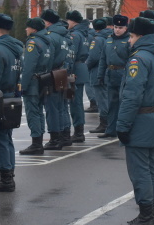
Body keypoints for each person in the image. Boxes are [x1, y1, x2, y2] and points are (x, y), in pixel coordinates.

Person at [117, 17, 154, 225]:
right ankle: (150, 213)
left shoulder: (139, 59)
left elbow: (132, 95)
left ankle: (146, 216)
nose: (129, 41)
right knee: (150, 169)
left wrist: (123, 125)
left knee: (140, 171)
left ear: (141, 37)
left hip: (140, 118)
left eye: (133, 36)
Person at [0, 14, 24, 192]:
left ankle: (6, 178)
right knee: (7, 138)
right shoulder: (16, 48)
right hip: (12, 95)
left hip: (0, 96)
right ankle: (9, 174)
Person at [19, 18, 53, 156]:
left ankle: (36, 143)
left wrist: (23, 85)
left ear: (34, 29)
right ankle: (38, 140)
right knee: (39, 111)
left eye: (28, 27)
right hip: (43, 79)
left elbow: (28, 67)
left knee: (32, 112)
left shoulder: (32, 43)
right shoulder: (47, 42)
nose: (26, 30)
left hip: (33, 82)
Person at [40, 9, 71, 149]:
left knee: (52, 107)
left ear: (47, 22)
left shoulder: (51, 36)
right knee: (61, 106)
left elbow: (49, 58)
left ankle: (55, 138)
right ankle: (65, 135)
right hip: (62, 71)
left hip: (52, 73)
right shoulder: (64, 35)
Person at [98, 15, 130, 138]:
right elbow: (103, 59)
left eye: (120, 27)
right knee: (112, 104)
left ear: (126, 28)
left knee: (124, 104)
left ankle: (123, 129)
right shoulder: (108, 40)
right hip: (110, 74)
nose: (117, 30)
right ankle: (111, 130)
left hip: (123, 74)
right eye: (116, 27)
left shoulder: (128, 41)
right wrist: (100, 75)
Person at [66, 10, 90, 143]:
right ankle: (79, 130)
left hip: (75, 69)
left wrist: (68, 70)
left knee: (75, 103)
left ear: (72, 21)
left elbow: (71, 54)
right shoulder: (83, 33)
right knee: (77, 102)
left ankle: (78, 132)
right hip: (81, 68)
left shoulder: (75, 35)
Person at [86, 18, 110, 133]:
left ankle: (104, 123)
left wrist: (87, 66)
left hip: (97, 71)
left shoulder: (97, 39)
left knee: (101, 99)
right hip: (108, 72)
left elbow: (93, 57)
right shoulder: (110, 37)